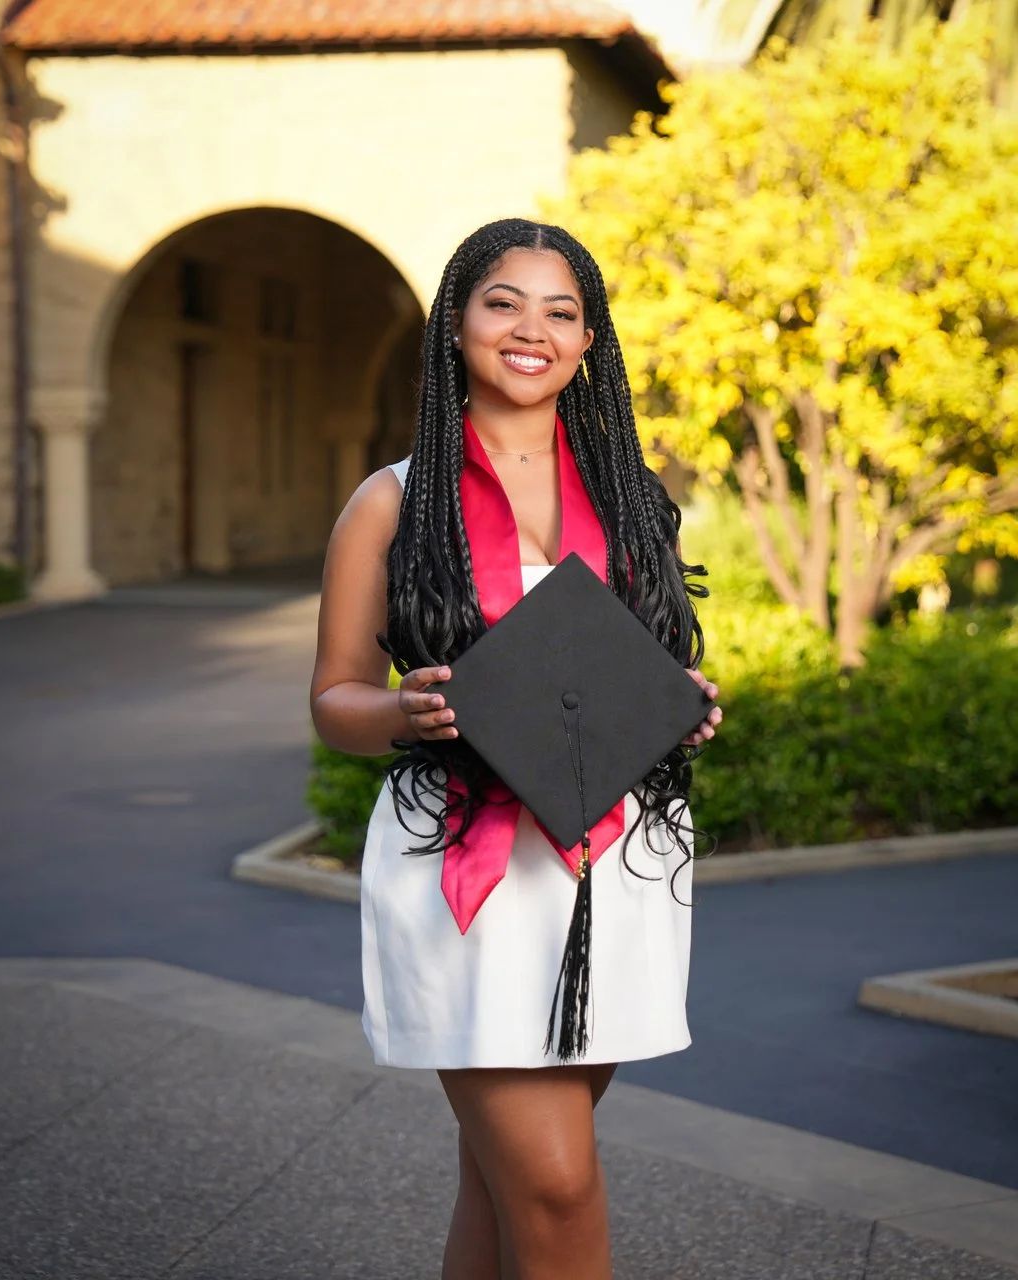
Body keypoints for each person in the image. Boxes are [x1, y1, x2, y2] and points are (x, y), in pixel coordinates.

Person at [310, 218, 723, 1280]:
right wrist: (404, 710)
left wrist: (681, 703)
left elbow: (640, 668)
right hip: (469, 868)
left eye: (561, 309)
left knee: (499, 1190)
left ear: (590, 341)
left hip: (613, 870)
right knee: (554, 1181)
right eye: (503, 301)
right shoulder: (394, 501)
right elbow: (332, 700)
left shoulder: (633, 498)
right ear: (456, 322)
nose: (530, 328)